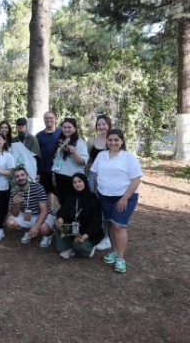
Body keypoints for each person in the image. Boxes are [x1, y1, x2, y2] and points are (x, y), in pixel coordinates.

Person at [90, 129, 143, 274]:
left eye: (116, 140)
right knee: (111, 225)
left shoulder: (128, 157)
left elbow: (136, 179)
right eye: (110, 140)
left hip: (124, 198)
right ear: (106, 141)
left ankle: (121, 257)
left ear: (122, 141)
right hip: (105, 196)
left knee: (119, 226)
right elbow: (94, 175)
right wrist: (95, 193)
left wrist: (125, 198)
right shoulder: (101, 155)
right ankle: (114, 250)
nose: (113, 143)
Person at [54, 173, 103, 259]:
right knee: (59, 226)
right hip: (74, 229)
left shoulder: (92, 198)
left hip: (88, 232)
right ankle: (68, 247)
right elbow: (63, 210)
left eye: (79, 181)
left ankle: (86, 248)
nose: (77, 184)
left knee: (80, 246)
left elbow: (96, 221)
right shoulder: (71, 196)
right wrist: (61, 218)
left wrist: (85, 235)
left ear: (84, 182)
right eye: (74, 182)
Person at [5, 167, 54, 247]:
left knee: (43, 228)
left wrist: (37, 226)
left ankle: (48, 235)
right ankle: (29, 231)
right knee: (10, 223)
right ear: (14, 179)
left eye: (22, 175)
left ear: (27, 175)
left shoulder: (37, 187)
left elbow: (44, 210)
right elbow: (15, 214)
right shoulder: (15, 190)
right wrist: (17, 204)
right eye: (17, 176)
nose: (20, 178)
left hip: (42, 214)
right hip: (27, 215)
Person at [85, 114, 112, 250]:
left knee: (105, 206)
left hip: (109, 178)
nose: (101, 127)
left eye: (104, 124)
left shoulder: (113, 140)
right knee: (95, 205)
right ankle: (96, 233)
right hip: (93, 177)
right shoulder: (91, 141)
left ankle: (107, 237)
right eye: (99, 124)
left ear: (109, 124)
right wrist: (86, 175)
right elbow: (89, 161)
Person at [51, 118, 89, 210]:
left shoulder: (80, 143)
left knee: (73, 203)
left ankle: (74, 223)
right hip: (59, 176)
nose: (66, 129)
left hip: (72, 178)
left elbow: (82, 162)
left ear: (75, 129)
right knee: (62, 201)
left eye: (69, 127)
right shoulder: (61, 141)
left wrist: (74, 152)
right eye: (64, 127)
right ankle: (65, 222)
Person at [36, 111, 63, 206]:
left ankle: (61, 217)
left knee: (60, 194)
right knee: (45, 195)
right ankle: (48, 216)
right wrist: (38, 172)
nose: (49, 120)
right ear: (44, 120)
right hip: (45, 170)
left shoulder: (62, 132)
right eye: (46, 118)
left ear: (55, 119)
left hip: (60, 170)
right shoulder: (39, 136)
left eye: (51, 117)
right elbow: (36, 155)